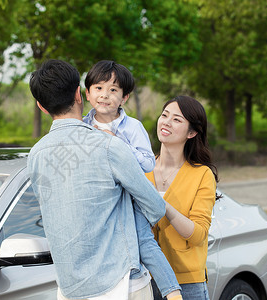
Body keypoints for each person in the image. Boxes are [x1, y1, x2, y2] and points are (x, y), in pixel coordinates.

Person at [27, 59, 170, 300]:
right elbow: (156, 207)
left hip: (69, 288)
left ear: (41, 106)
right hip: (122, 283)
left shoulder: (36, 155)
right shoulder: (110, 145)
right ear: (79, 95)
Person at [83, 60, 182, 299]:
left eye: (113, 90)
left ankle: (172, 292)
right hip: (101, 197)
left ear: (124, 97)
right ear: (87, 93)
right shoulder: (83, 125)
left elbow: (148, 162)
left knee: (144, 241)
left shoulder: (132, 127)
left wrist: (116, 144)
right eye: (98, 88)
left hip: (132, 195)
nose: (105, 95)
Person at [146, 95, 219, 300]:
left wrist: (162, 205)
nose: (167, 122)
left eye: (177, 119)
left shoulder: (202, 175)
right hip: (144, 281)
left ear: (192, 132)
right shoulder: (141, 168)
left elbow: (197, 234)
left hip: (187, 284)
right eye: (164, 115)